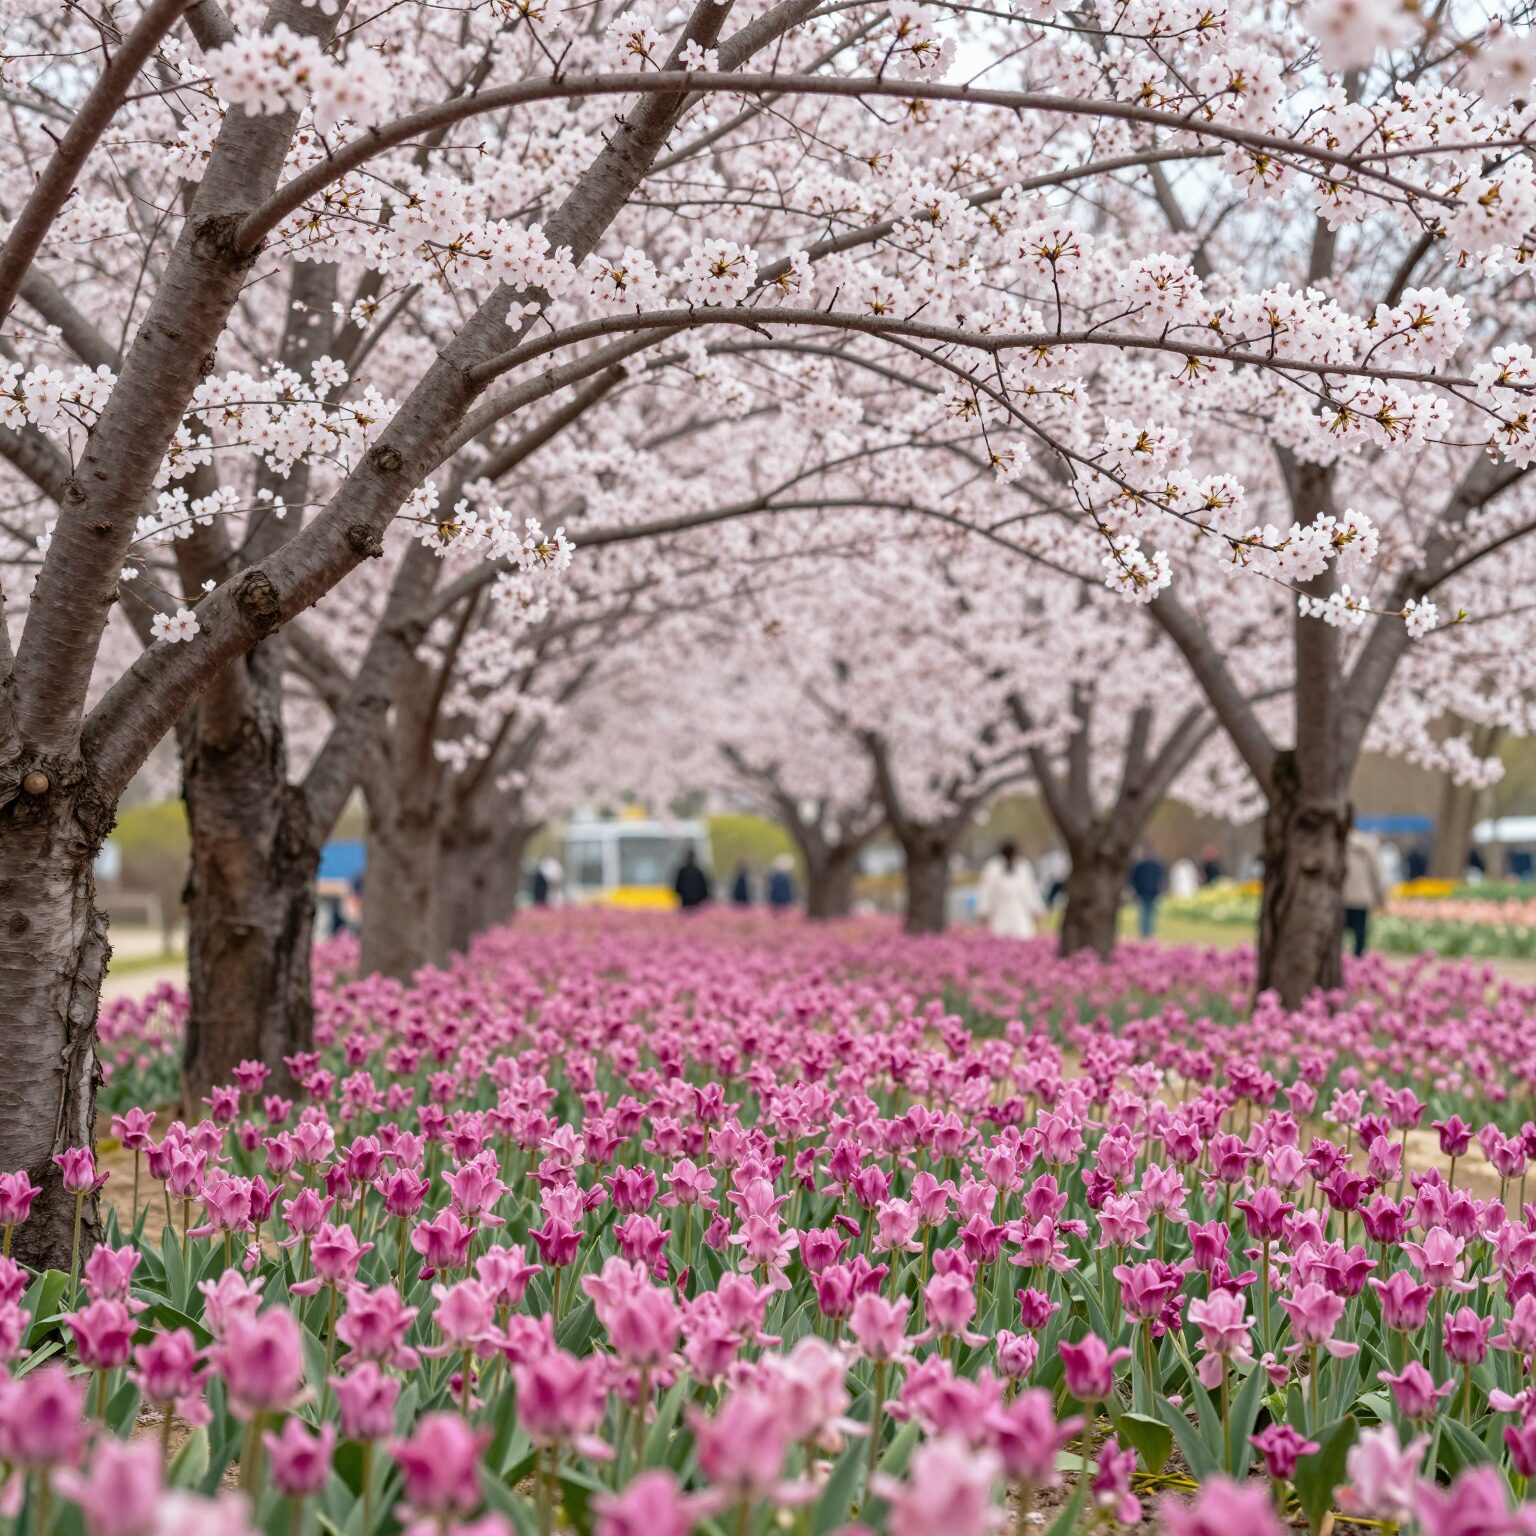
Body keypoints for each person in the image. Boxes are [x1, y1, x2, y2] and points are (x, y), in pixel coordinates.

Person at [976, 841, 1045, 939]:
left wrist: (1036, 909)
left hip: (1020, 912)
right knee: (999, 938)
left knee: (1022, 937)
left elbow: (1030, 890)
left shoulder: (1023, 866)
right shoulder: (993, 867)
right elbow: (986, 891)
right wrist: (983, 911)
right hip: (999, 912)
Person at [1342, 827, 1388, 957]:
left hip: (1341, 896)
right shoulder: (1368, 845)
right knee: (1359, 932)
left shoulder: (1335, 844)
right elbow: (1377, 873)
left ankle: (1342, 961)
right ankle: (1358, 963)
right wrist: (1381, 897)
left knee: (1339, 932)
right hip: (1361, 896)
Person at [1129, 847, 1166, 938]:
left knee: (1145, 912)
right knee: (1149, 912)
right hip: (1151, 892)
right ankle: (1148, 932)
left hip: (1143, 891)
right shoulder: (1156, 865)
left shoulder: (1140, 865)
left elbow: (1133, 879)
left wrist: (1134, 889)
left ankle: (1145, 932)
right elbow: (1160, 880)